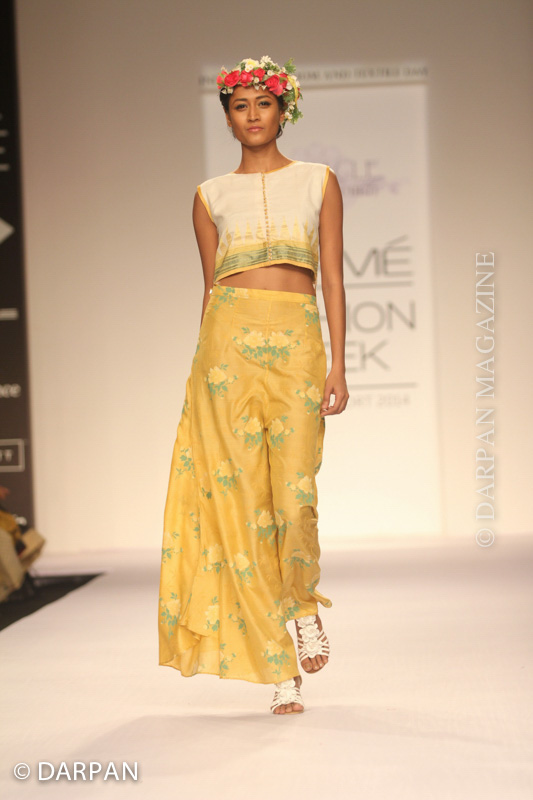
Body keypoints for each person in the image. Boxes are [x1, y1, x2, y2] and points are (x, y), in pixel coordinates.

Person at [158, 55, 348, 715]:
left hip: (297, 343)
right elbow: (210, 289)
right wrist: (199, 374)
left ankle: (302, 605)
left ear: (282, 109)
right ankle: (278, 667)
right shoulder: (209, 195)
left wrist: (338, 363)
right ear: (228, 117)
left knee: (294, 495)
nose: (252, 115)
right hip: (226, 351)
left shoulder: (318, 181)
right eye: (240, 106)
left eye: (263, 103)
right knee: (242, 506)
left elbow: (332, 278)